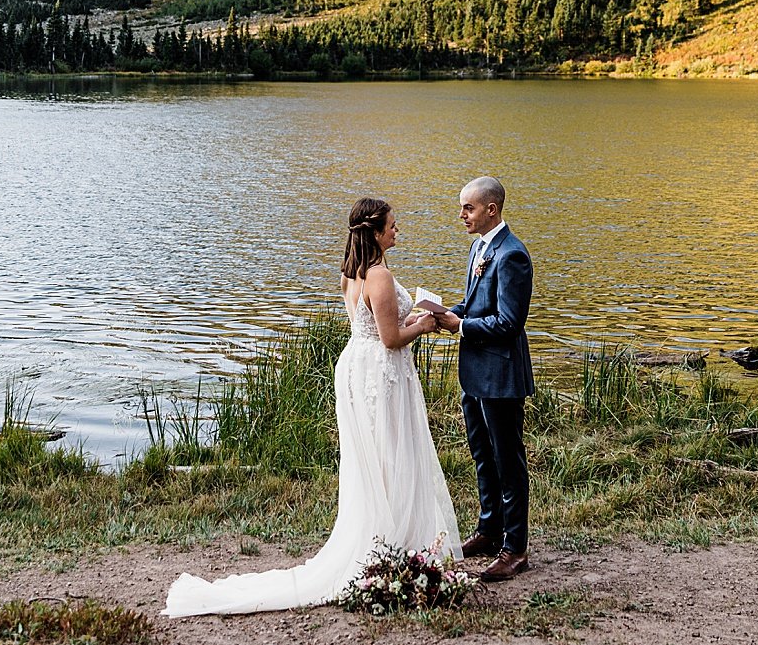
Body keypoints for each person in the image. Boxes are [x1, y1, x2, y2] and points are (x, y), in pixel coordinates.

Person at [163, 197, 459, 617]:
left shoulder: (350, 274)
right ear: (375, 232)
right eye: (393, 226)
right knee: (393, 452)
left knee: (374, 456)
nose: (398, 231)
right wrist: (426, 323)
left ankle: (389, 539)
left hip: (359, 366)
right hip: (382, 373)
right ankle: (396, 543)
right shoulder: (379, 274)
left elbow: (367, 328)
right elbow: (391, 338)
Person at [432, 176, 533, 582]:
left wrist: (460, 326)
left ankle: (516, 548)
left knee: (508, 459)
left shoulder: (513, 256)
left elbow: (509, 323)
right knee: (481, 453)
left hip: (501, 375)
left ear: (491, 209)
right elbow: (475, 305)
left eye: (467, 209)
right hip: (474, 372)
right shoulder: (479, 247)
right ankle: (489, 531)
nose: (461, 216)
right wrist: (440, 313)